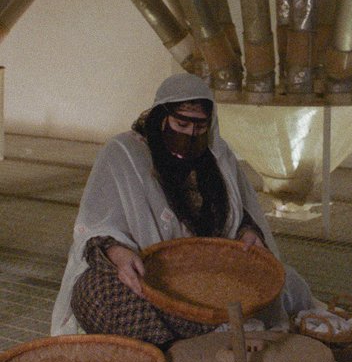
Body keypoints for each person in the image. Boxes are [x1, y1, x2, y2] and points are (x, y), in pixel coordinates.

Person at [51, 73, 316, 347]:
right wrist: (118, 253)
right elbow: (95, 227)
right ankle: (199, 340)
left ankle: (186, 345)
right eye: (181, 123)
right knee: (92, 292)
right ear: (160, 118)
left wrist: (247, 233)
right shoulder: (125, 153)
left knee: (281, 283)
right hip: (148, 276)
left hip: (205, 279)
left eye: (200, 126)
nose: (190, 134)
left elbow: (237, 213)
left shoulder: (217, 156)